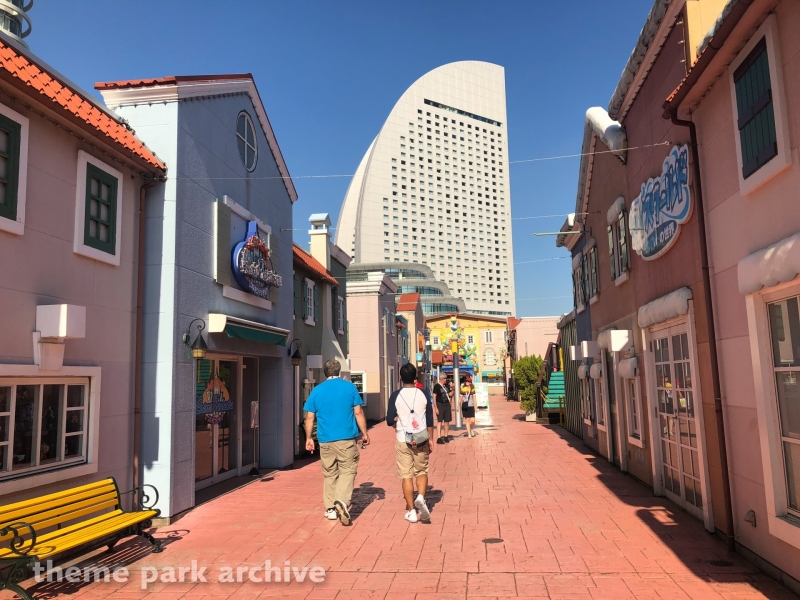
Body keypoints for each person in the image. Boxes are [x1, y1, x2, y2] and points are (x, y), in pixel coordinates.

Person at [304, 359, 369, 526]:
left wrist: (309, 438)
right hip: (346, 438)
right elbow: (358, 412)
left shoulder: (317, 391)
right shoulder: (350, 388)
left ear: (325, 372)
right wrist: (364, 433)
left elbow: (309, 417)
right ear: (339, 371)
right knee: (347, 471)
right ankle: (341, 500)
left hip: (325, 439)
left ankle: (331, 508)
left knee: (330, 473)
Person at [386, 363, 434, 523]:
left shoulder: (396, 395)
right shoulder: (424, 394)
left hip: (403, 438)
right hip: (421, 438)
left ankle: (412, 511)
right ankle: (420, 497)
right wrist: (431, 438)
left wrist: (396, 420)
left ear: (400, 377)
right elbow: (429, 419)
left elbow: (389, 420)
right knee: (422, 470)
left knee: (406, 475)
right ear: (415, 378)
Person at [432, 372, 453, 443]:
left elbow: (450, 395)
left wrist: (453, 389)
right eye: (445, 378)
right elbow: (434, 397)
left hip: (447, 404)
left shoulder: (446, 386)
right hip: (440, 404)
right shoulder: (436, 386)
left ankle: (446, 436)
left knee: (447, 421)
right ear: (442, 379)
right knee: (440, 421)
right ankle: (439, 437)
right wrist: (436, 407)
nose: (446, 380)